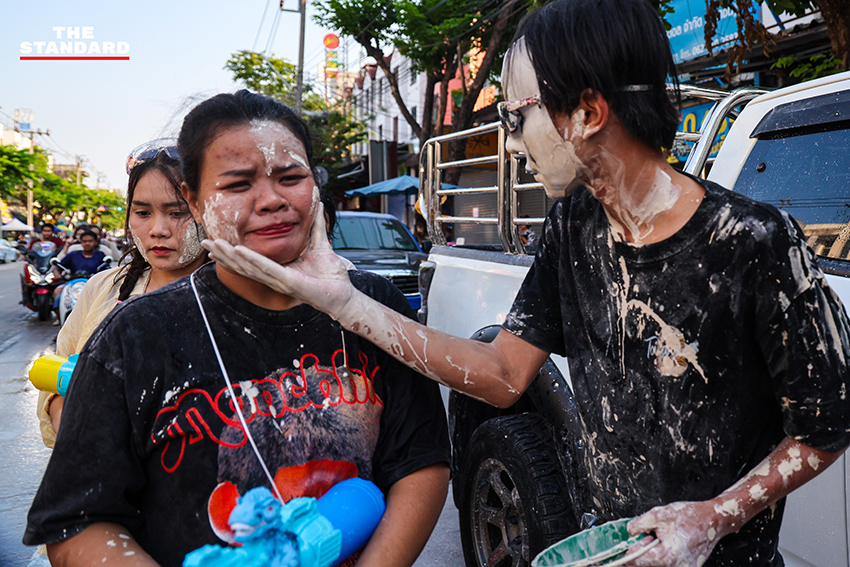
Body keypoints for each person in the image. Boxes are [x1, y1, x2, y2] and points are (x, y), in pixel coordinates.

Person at [201, 1, 850, 566]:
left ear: (589, 111)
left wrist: (714, 517)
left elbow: (827, 423)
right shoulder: (573, 223)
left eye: (517, 118)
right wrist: (346, 301)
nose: (511, 145)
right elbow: (506, 373)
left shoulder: (755, 242)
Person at [25, 91, 450, 567]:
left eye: (291, 177)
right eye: (238, 184)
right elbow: (75, 524)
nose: (271, 200)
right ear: (196, 199)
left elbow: (421, 465)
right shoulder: (136, 333)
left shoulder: (375, 308)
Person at [36, 142, 209, 448]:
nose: (158, 229)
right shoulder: (102, 288)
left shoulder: (239, 292)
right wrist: (77, 427)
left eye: (177, 212)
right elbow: (55, 383)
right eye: (143, 212)